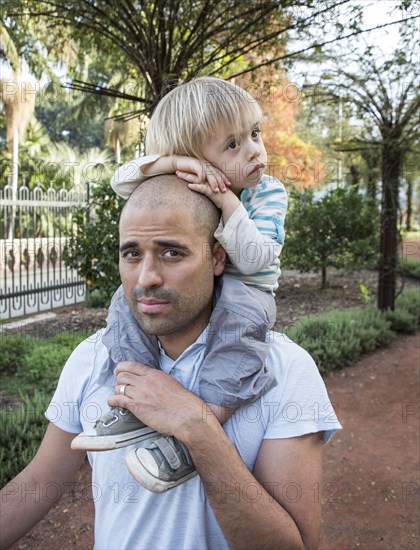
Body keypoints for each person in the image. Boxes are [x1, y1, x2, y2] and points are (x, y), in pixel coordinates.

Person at [0, 176, 341, 550]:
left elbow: (296, 546)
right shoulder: (93, 358)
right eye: (132, 253)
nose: (146, 278)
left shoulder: (285, 369)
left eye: (171, 253)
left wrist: (197, 426)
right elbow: (36, 484)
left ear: (216, 257)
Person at [72, 77, 288, 492]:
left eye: (255, 134)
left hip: (245, 288)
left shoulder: (267, 193)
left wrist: (227, 203)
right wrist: (170, 165)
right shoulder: (184, 186)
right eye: (232, 144)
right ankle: (133, 394)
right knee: (125, 304)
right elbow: (121, 180)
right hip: (194, 285)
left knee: (237, 339)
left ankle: (198, 433)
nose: (254, 150)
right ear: (195, 159)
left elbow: (258, 257)